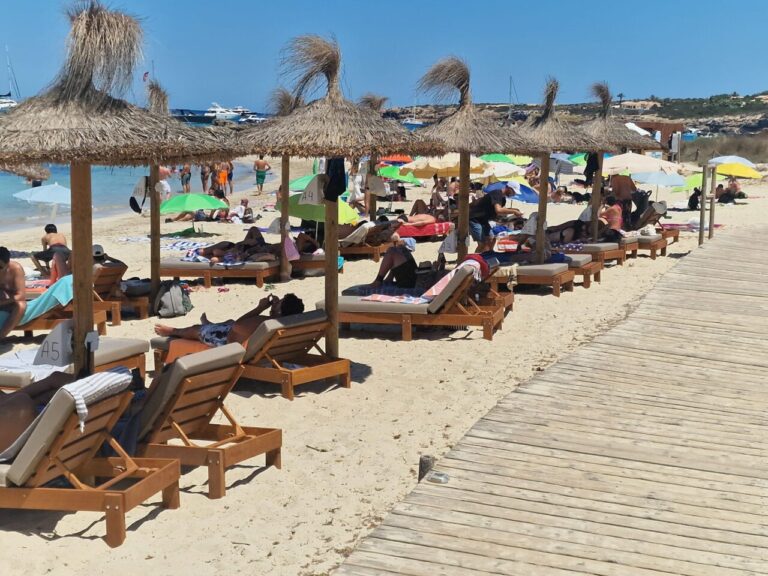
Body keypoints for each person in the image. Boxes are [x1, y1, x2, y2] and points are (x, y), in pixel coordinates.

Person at [154, 293, 305, 346]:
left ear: (280, 310)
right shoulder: (289, 323)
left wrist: (260, 308)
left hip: (228, 341)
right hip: (249, 340)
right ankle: (210, 324)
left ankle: (173, 331)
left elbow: (238, 325)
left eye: (279, 302)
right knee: (228, 322)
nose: (276, 302)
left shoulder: (264, 322)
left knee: (196, 329)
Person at [468, 184, 522, 252]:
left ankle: (488, 256)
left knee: (492, 239)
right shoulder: (497, 193)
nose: (513, 194)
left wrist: (513, 212)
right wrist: (514, 211)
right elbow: (498, 210)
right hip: (474, 219)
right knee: (483, 243)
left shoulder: (503, 199)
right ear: (508, 188)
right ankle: (475, 259)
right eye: (513, 192)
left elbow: (498, 212)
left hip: (483, 220)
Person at [0, 247, 27, 339]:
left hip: (10, 301)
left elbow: (21, 296)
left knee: (21, 305)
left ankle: (1, 335)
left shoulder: (16, 269)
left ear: (8, 264)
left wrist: (2, 302)